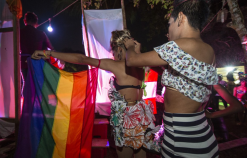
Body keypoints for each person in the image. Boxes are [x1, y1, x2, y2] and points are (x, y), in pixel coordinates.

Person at [123, 0, 243, 157]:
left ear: (180, 18)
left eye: (169, 24)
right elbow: (183, 82)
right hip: (201, 138)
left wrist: (130, 47)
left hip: (182, 143)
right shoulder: (208, 50)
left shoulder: (179, 46)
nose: (169, 30)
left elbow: (131, 60)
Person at [31, 30, 160, 158]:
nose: (112, 54)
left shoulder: (117, 65)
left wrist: (48, 53)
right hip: (142, 115)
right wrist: (137, 51)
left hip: (127, 118)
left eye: (113, 50)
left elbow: (81, 58)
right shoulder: (141, 64)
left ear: (119, 49)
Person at [20, 12, 54, 84]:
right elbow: (51, 48)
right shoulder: (41, 34)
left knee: (26, 84)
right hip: (38, 63)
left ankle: (27, 95)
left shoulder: (19, 33)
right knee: (38, 85)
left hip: (24, 62)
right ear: (36, 22)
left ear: (25, 21)